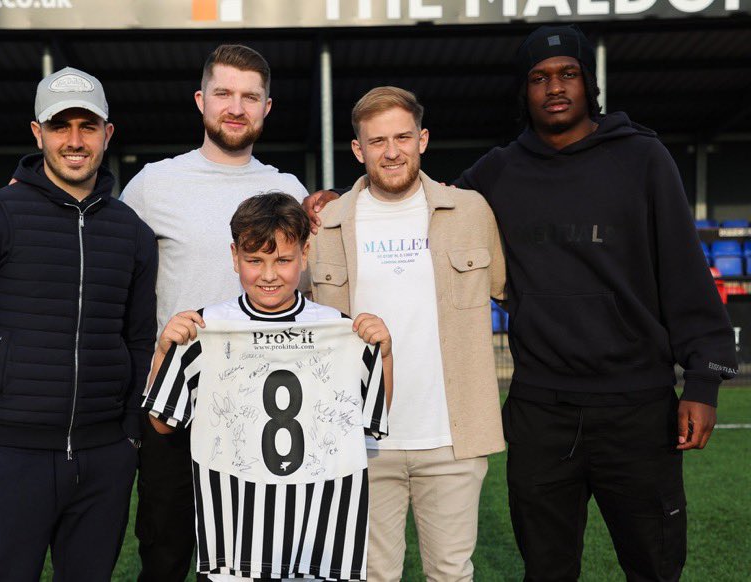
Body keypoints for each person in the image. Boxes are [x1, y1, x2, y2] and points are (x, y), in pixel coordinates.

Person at [0, 44, 308, 581]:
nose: (236, 107)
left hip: (261, 412)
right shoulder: (154, 184)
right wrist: (6, 203)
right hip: (171, 411)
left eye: (250, 96)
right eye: (223, 93)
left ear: (268, 106)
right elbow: (86, 234)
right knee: (166, 556)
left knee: (253, 561)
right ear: (201, 101)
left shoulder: (289, 190)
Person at [451, 25, 738, 581]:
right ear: (524, 91)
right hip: (541, 413)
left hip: (638, 411)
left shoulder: (644, 158)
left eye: (567, 74)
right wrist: (345, 198)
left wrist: (702, 383)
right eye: (539, 78)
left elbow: (684, 274)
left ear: (589, 84)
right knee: (548, 571)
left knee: (655, 567)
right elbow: (424, 207)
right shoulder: (499, 170)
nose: (554, 87)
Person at [0, 67, 157, 581]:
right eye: (61, 126)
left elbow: (139, 338)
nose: (74, 141)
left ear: (107, 134)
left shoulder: (133, 233)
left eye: (87, 126)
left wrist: (129, 438)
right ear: (38, 132)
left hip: (105, 459)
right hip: (9, 458)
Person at [143, 192, 393, 582]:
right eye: (254, 261)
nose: (269, 274)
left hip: (320, 535)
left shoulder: (341, 329)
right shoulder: (203, 329)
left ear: (305, 254)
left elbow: (372, 416)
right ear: (234, 256)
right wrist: (164, 354)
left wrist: (384, 355)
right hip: (234, 536)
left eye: (283, 260)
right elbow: (162, 424)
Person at [309, 86, 506, 581]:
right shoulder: (326, 225)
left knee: (451, 573)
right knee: (373, 575)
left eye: (402, 137)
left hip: (451, 440)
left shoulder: (471, 211)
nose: (391, 151)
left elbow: (509, 290)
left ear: (422, 140)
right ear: (358, 150)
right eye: (377, 141)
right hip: (361, 440)